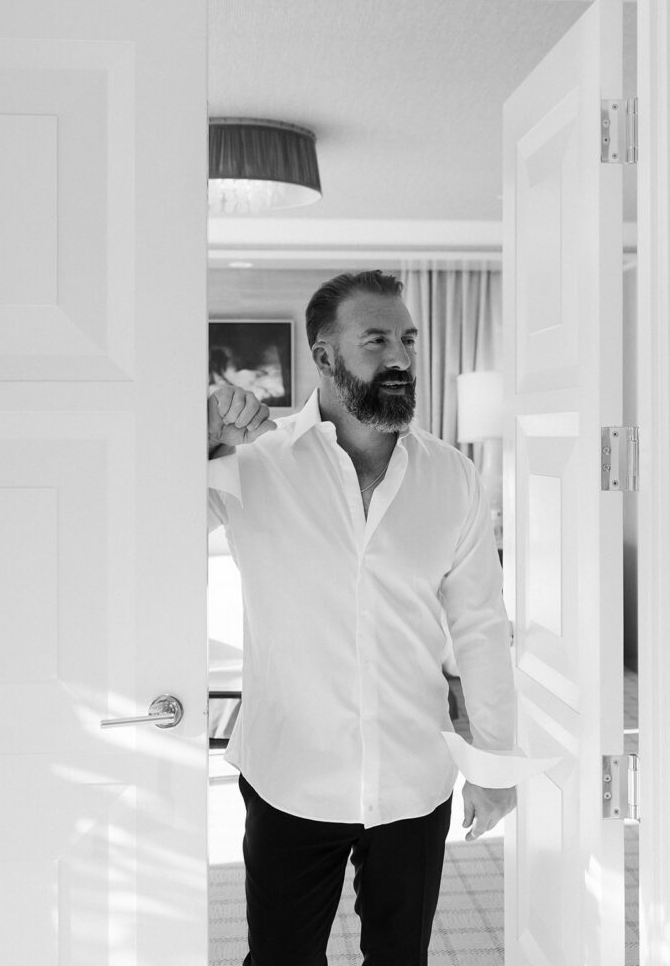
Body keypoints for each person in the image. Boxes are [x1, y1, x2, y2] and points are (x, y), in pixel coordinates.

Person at [207, 270, 517, 966]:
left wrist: (495, 761)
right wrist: (204, 436)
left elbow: (479, 627)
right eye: (376, 340)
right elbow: (146, 537)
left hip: (413, 781)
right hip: (290, 779)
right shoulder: (250, 463)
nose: (400, 355)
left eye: (407, 337)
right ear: (323, 357)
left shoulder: (452, 477)